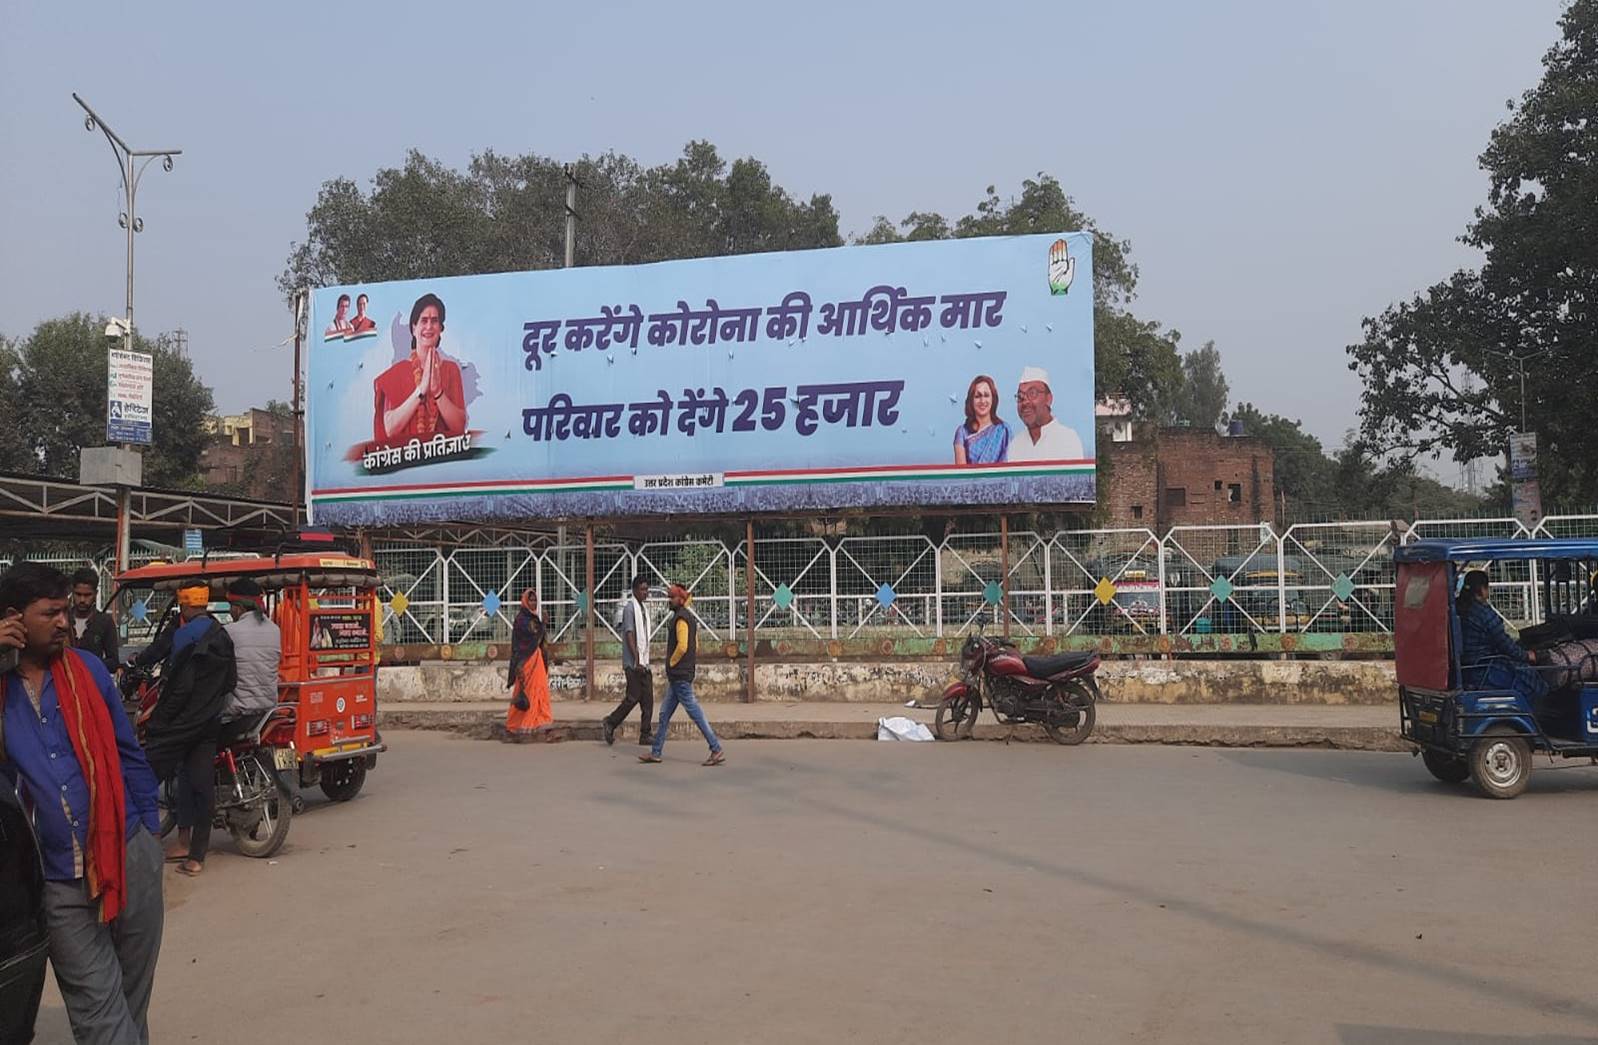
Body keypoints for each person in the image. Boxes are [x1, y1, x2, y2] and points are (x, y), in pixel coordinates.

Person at [0, 563, 164, 1044]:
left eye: (66, 612)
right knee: (98, 1009)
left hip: (127, 850)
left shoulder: (88, 671)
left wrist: (148, 834)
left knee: (132, 995)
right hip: (55, 877)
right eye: (50, 614)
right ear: (13, 619)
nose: (64, 623)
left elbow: (128, 752)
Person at [142, 585, 235, 879]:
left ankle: (141, 847)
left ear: (183, 608)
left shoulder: (184, 636)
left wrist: (158, 719)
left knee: (142, 778)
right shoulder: (223, 635)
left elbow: (179, 687)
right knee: (201, 785)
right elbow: (231, 681)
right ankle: (196, 857)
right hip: (209, 723)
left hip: (179, 724)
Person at [638, 584, 724, 766]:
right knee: (664, 715)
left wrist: (672, 662)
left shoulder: (681, 619)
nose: (669, 601)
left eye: (671, 598)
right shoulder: (688, 618)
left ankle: (715, 748)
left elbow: (684, 646)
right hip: (680, 675)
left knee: (695, 713)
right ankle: (656, 752)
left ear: (680, 600)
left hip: (680, 676)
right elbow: (696, 645)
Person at [371, 293, 467, 444]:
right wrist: (421, 390)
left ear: (440, 328)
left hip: (443, 461)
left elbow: (459, 426)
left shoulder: (451, 370)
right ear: (414, 328)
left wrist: (437, 392)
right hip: (407, 461)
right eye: (424, 320)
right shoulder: (397, 373)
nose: (429, 327)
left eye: (434, 321)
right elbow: (390, 428)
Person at [1456, 570, 1548, 701]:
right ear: (1483, 589)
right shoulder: (1485, 614)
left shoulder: (1457, 607)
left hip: (1465, 668)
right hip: (1485, 669)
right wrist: (1527, 656)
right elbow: (1506, 645)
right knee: (1531, 680)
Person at [219, 578, 281, 747]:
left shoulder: (229, 633)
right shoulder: (275, 630)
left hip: (237, 715)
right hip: (268, 711)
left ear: (238, 608)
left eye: (231, 607)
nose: (230, 612)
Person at [601, 575, 654, 747]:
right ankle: (610, 722)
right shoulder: (630, 609)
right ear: (634, 590)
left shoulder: (643, 609)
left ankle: (645, 733)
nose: (645, 593)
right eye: (642, 589)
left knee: (648, 698)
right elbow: (629, 634)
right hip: (633, 663)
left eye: (646, 589)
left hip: (643, 661)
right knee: (633, 697)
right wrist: (637, 658)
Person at [1007, 366, 1085, 462]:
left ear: (1048, 399)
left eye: (1032, 393)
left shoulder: (1068, 439)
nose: (1025, 402)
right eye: (1020, 396)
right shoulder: (1015, 445)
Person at [504, 590, 553, 740]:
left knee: (539, 690)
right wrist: (543, 624)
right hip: (525, 663)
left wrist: (542, 625)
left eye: (535, 600)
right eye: (531, 600)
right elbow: (531, 638)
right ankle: (520, 723)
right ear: (525, 601)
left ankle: (540, 721)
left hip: (536, 660)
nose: (533, 603)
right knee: (524, 693)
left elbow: (540, 638)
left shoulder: (533, 619)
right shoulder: (521, 620)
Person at [68, 567, 119, 673]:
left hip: (92, 684)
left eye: (87, 595)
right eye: (78, 594)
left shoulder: (105, 622)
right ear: (72, 592)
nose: (82, 600)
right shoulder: (62, 619)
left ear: (96, 594)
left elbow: (113, 663)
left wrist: (88, 664)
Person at [952, 374, 1011, 465]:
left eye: (986, 395)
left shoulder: (1004, 430)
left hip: (998, 479)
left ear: (993, 399)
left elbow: (1006, 469)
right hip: (970, 479)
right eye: (978, 396)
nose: (982, 401)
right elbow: (962, 474)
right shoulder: (962, 432)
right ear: (971, 400)